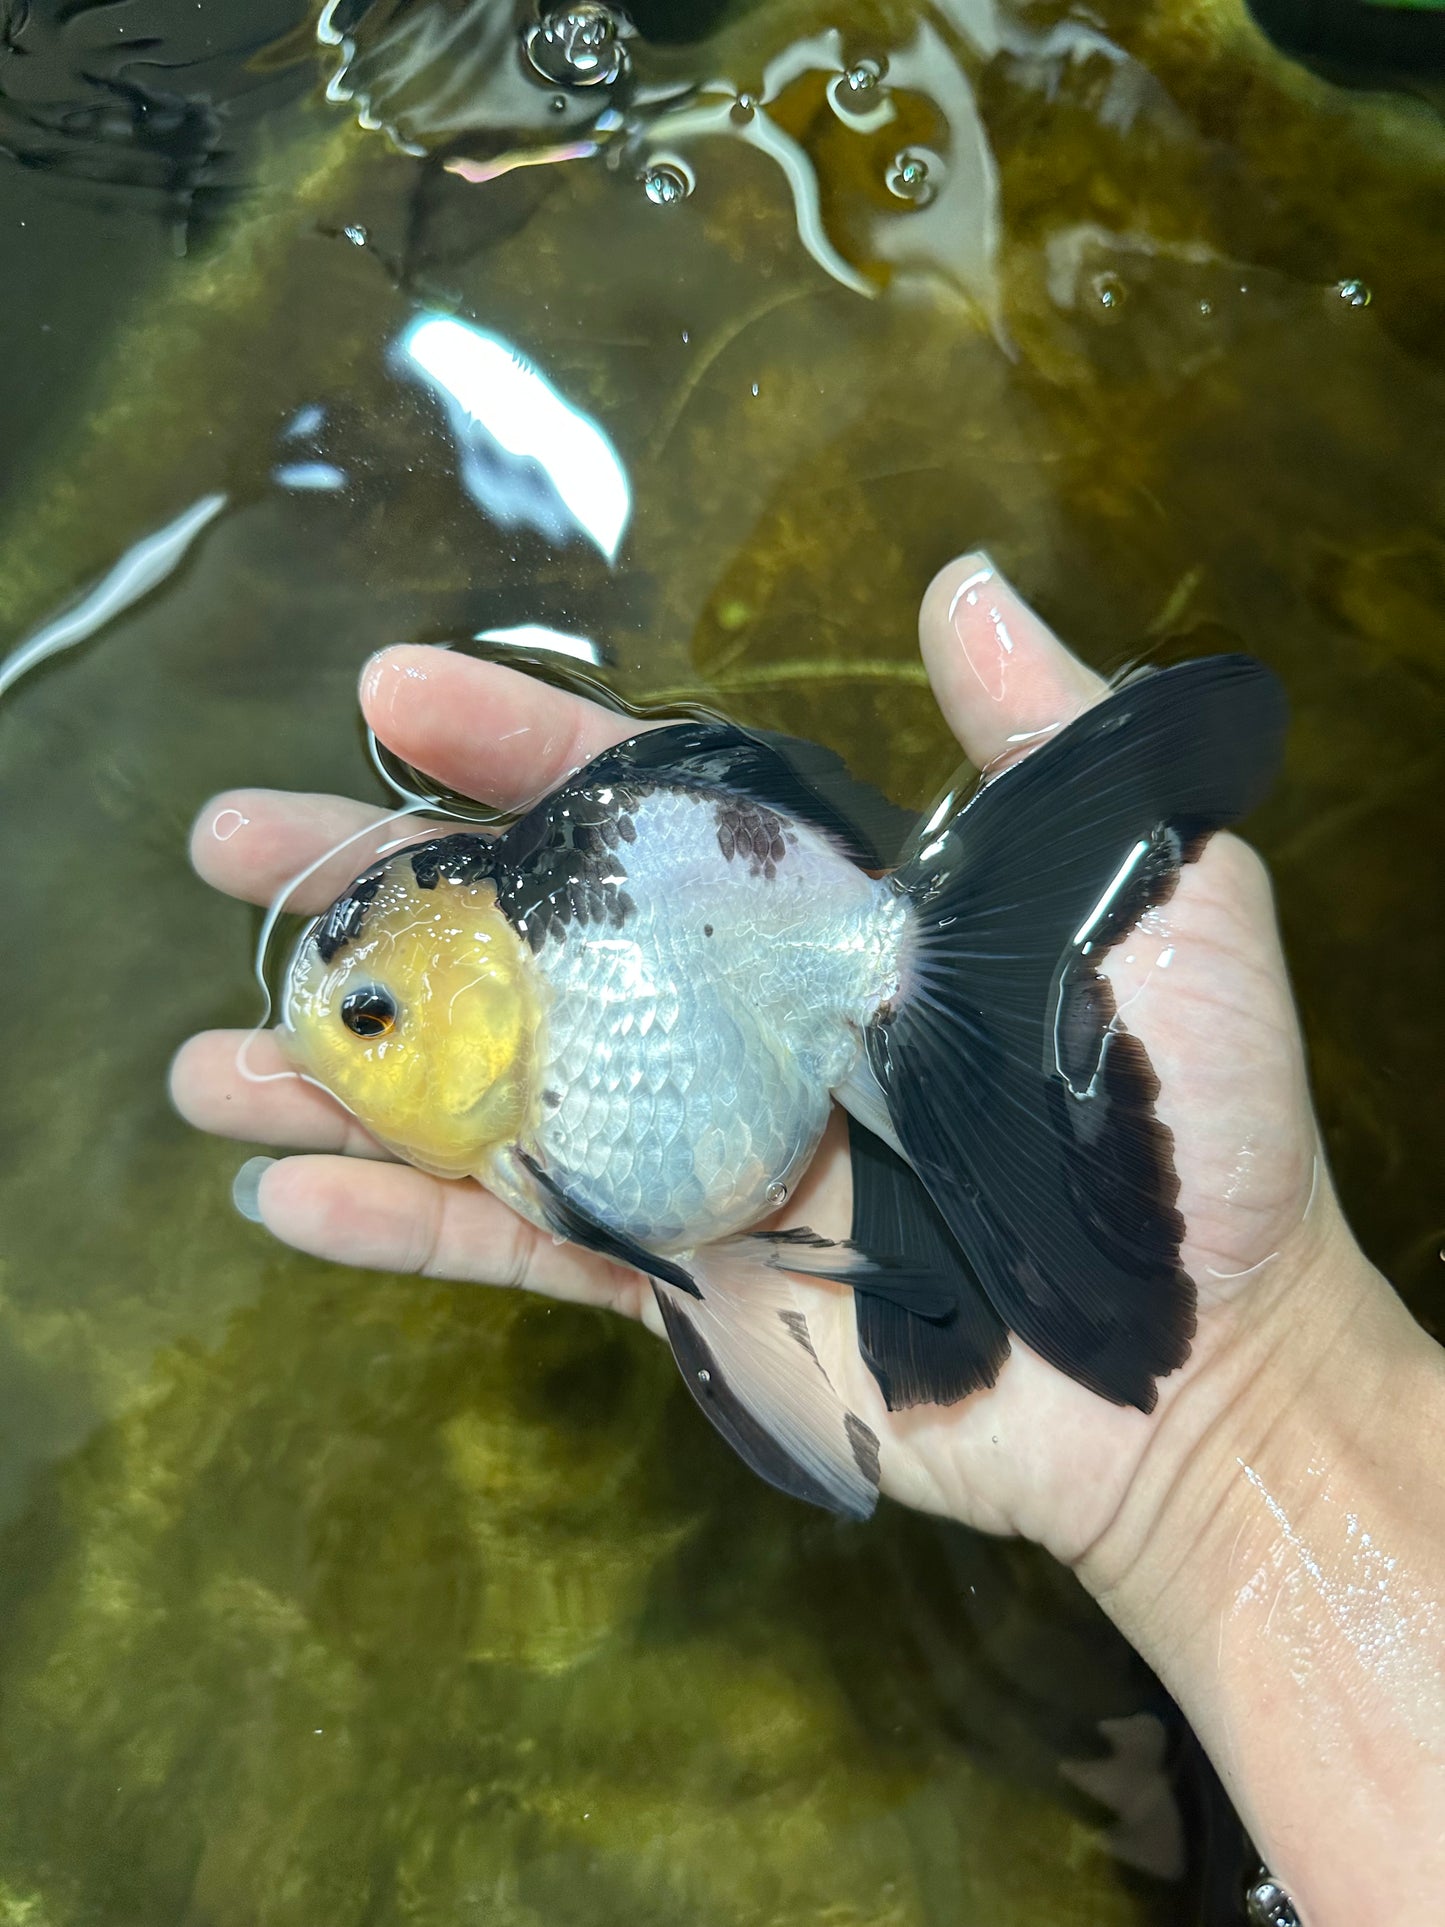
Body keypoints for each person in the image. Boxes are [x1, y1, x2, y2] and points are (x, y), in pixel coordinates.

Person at [170, 554, 1445, 1925]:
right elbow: (691, 1277)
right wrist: (1241, 1433)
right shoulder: (522, 1132)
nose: (340, 1058)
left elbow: (681, 1263)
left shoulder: (548, 1132)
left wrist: (1242, 1413)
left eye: (369, 1024)